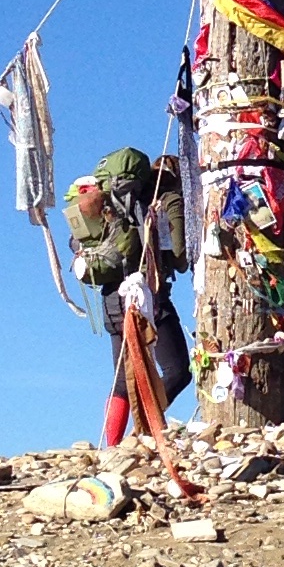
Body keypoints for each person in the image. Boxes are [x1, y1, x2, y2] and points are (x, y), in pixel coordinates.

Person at [65, 146, 191, 447]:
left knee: (123, 379)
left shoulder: (115, 206)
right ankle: (144, 428)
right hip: (147, 296)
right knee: (177, 370)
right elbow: (180, 257)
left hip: (111, 298)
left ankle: (113, 446)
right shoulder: (167, 198)